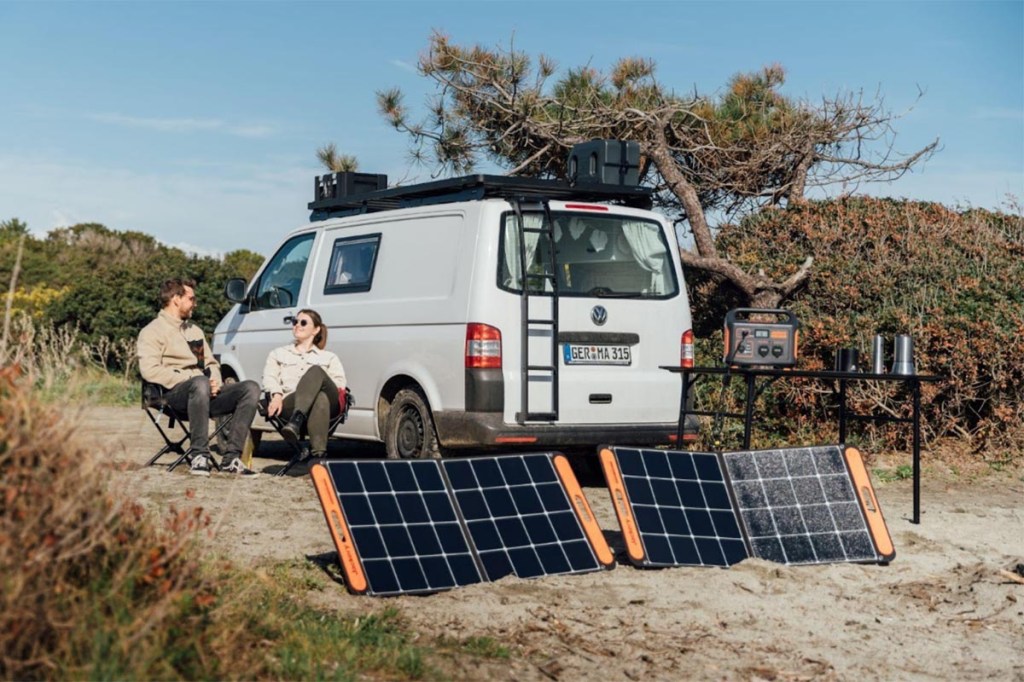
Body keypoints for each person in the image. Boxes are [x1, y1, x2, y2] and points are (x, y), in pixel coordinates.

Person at [137, 278, 261, 476]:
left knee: (251, 388)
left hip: (204, 391)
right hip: (170, 395)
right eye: (191, 299)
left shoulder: (195, 331)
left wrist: (216, 384)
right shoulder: (152, 331)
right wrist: (191, 378)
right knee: (199, 382)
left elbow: (211, 364)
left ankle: (232, 459)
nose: (195, 303)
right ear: (176, 299)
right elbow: (150, 370)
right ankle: (199, 455)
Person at [262, 309, 346, 459]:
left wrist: (315, 384)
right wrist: (276, 394)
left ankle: (297, 420)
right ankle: (319, 457)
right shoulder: (278, 354)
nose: (297, 325)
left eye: (303, 322)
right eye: (295, 322)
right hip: (290, 403)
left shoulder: (329, 357)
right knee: (320, 398)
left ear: (316, 329)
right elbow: (269, 377)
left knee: (316, 373)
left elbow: (340, 383)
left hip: (328, 407)